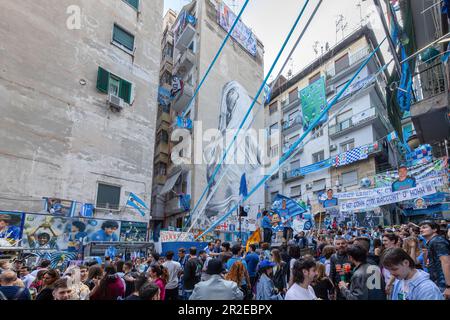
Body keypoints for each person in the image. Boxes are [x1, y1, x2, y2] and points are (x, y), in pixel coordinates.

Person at [419, 220, 450, 298]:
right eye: (420, 228)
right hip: (438, 282)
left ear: (434, 229)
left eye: (424, 227)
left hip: (443, 284)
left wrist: (448, 286)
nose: (421, 230)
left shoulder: (437, 241)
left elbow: (446, 262)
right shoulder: (432, 241)